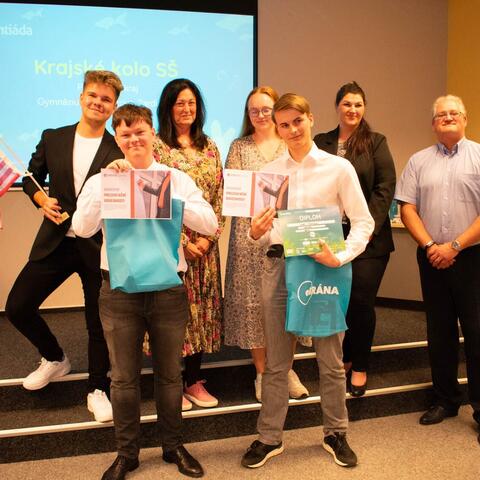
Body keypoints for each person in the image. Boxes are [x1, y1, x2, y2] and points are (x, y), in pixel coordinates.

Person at [73, 104, 218, 479]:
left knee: (170, 375)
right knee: (123, 378)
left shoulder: (176, 179)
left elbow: (210, 223)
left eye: (140, 131)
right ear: (117, 139)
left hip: (168, 289)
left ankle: (173, 447)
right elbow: (82, 227)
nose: (134, 139)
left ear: (152, 133)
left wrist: (167, 198)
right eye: (125, 134)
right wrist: (109, 186)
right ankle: (127, 454)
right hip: (118, 291)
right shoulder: (104, 180)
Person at [241, 93, 374, 469]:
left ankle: (336, 433)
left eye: (297, 121)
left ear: (311, 119)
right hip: (280, 269)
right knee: (276, 363)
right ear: (277, 129)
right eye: (283, 125)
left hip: (323, 270)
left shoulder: (338, 168)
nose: (292, 130)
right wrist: (255, 232)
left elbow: (363, 222)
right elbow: (260, 232)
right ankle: (269, 437)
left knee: (330, 359)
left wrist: (341, 255)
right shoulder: (270, 173)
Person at [5, 70, 124, 422]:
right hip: (54, 242)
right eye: (93, 95)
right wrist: (41, 200)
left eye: (106, 99)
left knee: (97, 324)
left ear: (113, 106)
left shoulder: (118, 149)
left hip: (96, 246)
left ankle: (98, 389)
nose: (98, 103)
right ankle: (55, 358)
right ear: (81, 97)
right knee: (18, 306)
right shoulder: (53, 137)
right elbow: (31, 178)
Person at [395, 94, 480, 443]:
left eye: (454, 113)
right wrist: (432, 246)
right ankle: (445, 399)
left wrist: (455, 246)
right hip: (431, 257)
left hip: (472, 256)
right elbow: (407, 208)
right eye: (441, 115)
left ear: (465, 119)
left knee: (477, 331)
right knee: (439, 330)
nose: (447, 118)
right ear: (433, 124)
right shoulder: (418, 161)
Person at [223, 86, 309, 402]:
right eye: (254, 110)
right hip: (249, 236)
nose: (260, 115)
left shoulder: (290, 144)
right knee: (254, 304)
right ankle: (262, 373)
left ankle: (285, 370)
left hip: (287, 233)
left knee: (289, 302)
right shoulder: (239, 146)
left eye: (265, 109)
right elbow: (232, 190)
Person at [314, 81, 396, 397]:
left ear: (364, 108)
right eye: (347, 104)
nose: (353, 109)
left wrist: (366, 228)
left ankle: (359, 364)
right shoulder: (321, 142)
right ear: (337, 107)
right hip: (331, 235)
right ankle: (344, 358)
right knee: (337, 300)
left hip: (369, 240)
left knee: (360, 301)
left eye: (358, 104)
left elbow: (385, 187)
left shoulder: (376, 142)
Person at [153, 78, 224, 411]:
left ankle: (194, 380)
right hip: (171, 247)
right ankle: (171, 383)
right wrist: (182, 242)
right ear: (168, 107)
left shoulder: (210, 146)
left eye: (191, 103)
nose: (186, 109)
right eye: (179, 103)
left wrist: (208, 238)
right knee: (173, 315)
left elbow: (219, 196)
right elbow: (155, 201)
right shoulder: (157, 147)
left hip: (206, 249)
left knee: (202, 315)